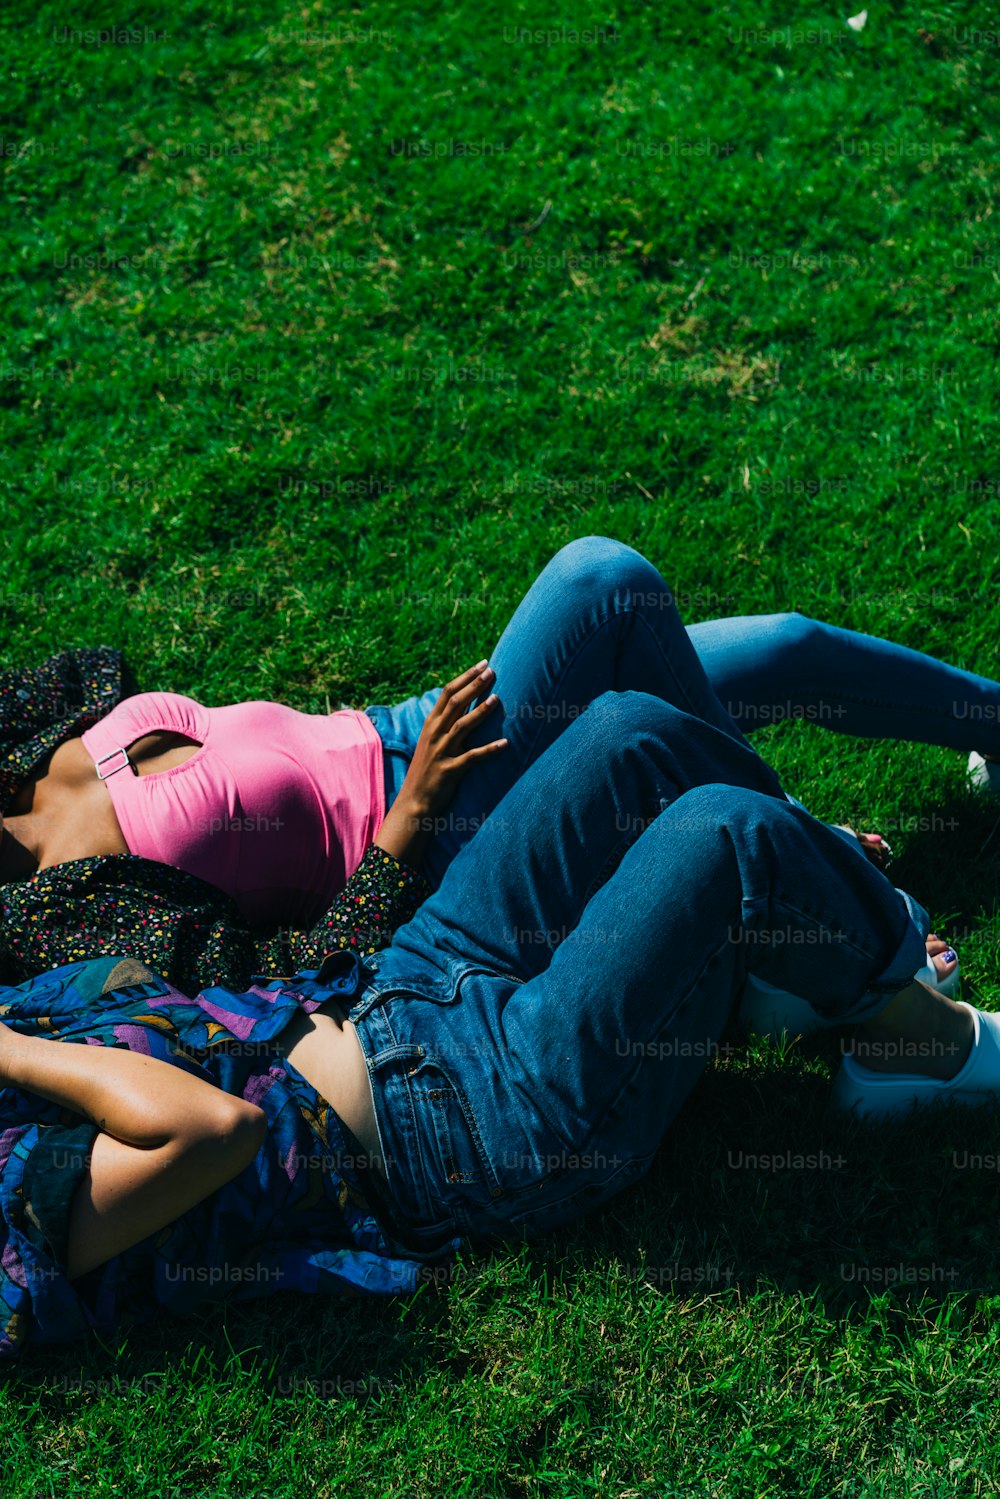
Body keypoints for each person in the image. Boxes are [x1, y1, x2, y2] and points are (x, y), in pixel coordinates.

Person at [1, 688, 996, 1360]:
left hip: (395, 989)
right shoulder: (10, 1233)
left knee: (625, 732)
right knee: (720, 837)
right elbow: (212, 1128)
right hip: (463, 1130)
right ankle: (911, 1043)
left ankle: (820, 941)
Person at [0, 537, 993, 991]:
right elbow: (274, 981)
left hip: (427, 726)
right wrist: (412, 811)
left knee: (781, 647)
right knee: (600, 585)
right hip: (446, 836)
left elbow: (96, 672)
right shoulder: (58, 915)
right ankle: (858, 921)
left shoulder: (23, 734)